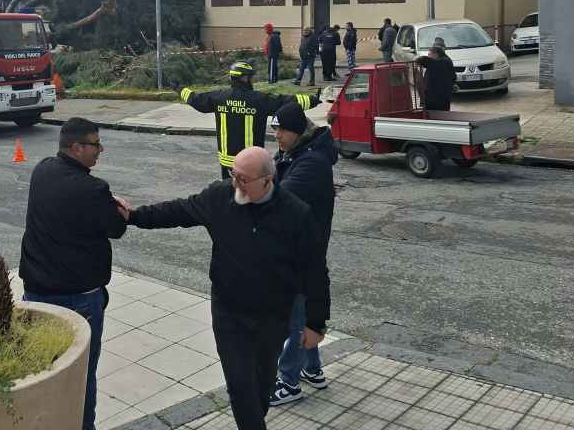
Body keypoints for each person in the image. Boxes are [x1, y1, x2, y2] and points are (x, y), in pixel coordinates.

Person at [115, 147, 330, 430]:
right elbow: (178, 211)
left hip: (272, 316)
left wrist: (316, 323)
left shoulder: (296, 214)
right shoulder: (220, 197)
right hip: (229, 312)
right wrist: (133, 216)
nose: (235, 184)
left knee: (262, 384)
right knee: (240, 384)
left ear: (268, 180)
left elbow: (314, 271)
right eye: (233, 175)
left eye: (244, 179)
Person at [19, 118, 127, 430]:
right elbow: (116, 227)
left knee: (41, 371)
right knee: (80, 376)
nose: (100, 151)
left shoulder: (42, 170)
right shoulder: (93, 189)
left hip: (36, 296)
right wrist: (116, 205)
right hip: (79, 300)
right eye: (95, 144)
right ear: (76, 147)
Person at [269, 103, 337, 407]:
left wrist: (250, 188)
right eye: (274, 130)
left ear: (297, 131)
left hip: (302, 250)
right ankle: (312, 368)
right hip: (300, 247)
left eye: (281, 130)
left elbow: (280, 198)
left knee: (296, 315)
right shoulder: (294, 153)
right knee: (303, 309)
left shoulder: (312, 164)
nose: (277, 136)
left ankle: (289, 380)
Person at [181, 62, 319, 178]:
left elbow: (196, 100)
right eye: (250, 78)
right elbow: (286, 103)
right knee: (252, 197)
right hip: (252, 161)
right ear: (245, 79)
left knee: (230, 196)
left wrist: (180, 89)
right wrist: (312, 100)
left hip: (226, 162)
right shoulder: (258, 99)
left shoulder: (219, 97)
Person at [416, 36, 456, 111]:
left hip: (438, 99)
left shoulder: (444, 61)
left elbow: (425, 60)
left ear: (435, 54)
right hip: (435, 97)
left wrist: (418, 60)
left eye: (429, 54)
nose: (429, 56)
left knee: (439, 117)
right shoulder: (442, 60)